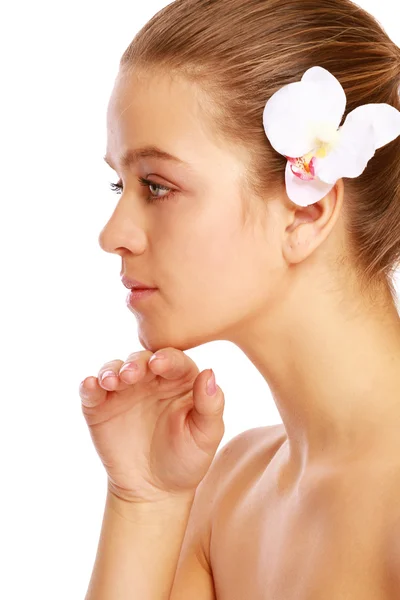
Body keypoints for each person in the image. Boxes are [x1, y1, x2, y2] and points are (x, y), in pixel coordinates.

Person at [80, 0, 400, 598]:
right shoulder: (229, 492)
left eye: (156, 185)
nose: (112, 235)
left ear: (307, 210)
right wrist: (144, 501)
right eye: (119, 184)